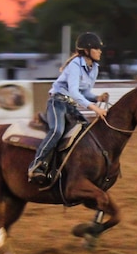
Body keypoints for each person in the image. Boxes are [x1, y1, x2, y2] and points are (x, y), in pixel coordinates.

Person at [28, 32, 109, 185]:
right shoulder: (75, 65)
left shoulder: (94, 68)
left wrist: (97, 98)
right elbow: (74, 91)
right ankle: (36, 166)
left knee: (88, 132)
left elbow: (84, 91)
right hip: (57, 103)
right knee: (57, 131)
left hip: (71, 106)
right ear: (87, 50)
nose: (100, 51)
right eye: (97, 48)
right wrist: (95, 108)